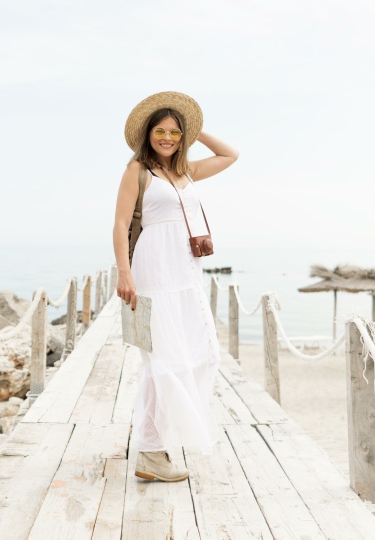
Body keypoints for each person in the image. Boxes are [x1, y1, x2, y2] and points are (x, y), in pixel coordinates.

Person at [112, 91, 238, 482]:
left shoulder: (186, 172)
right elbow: (119, 225)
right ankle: (152, 452)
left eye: (174, 132)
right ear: (147, 134)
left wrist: (194, 132)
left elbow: (230, 154)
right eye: (160, 131)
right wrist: (124, 273)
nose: (167, 138)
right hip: (153, 268)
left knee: (200, 355)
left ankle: (157, 443)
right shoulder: (137, 170)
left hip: (184, 271)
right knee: (162, 359)